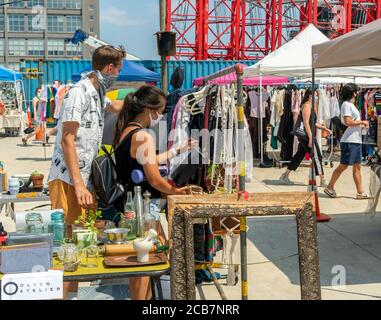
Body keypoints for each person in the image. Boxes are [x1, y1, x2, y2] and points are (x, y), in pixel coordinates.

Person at [47, 45, 125, 298]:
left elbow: (114, 107)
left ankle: (72, 294)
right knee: (65, 245)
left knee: (80, 243)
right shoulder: (78, 93)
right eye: (118, 71)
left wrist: (143, 100)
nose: (117, 76)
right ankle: (63, 295)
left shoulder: (97, 92)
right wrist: (80, 185)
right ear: (109, 68)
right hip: (69, 179)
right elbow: (67, 139)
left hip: (84, 178)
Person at [113, 85, 197, 300]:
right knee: (145, 263)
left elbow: (146, 162)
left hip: (129, 207)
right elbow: (153, 177)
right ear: (149, 110)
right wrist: (175, 191)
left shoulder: (127, 130)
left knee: (139, 264)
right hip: (142, 209)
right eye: (160, 112)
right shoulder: (143, 135)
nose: (161, 116)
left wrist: (176, 150)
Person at [324, 83, 370, 199]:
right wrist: (362, 122)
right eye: (356, 91)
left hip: (355, 140)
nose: (357, 93)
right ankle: (329, 187)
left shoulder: (350, 105)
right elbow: (348, 121)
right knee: (344, 166)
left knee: (357, 167)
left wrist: (361, 125)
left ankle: (360, 192)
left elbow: (350, 123)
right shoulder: (346, 105)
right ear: (352, 93)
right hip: (350, 141)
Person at [279, 89, 332, 186]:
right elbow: (306, 123)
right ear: (310, 96)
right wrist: (311, 138)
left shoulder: (310, 106)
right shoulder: (307, 106)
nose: (316, 98)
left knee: (299, 156)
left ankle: (284, 175)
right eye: (315, 96)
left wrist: (324, 128)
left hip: (306, 136)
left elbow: (312, 123)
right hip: (307, 136)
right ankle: (323, 179)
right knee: (317, 155)